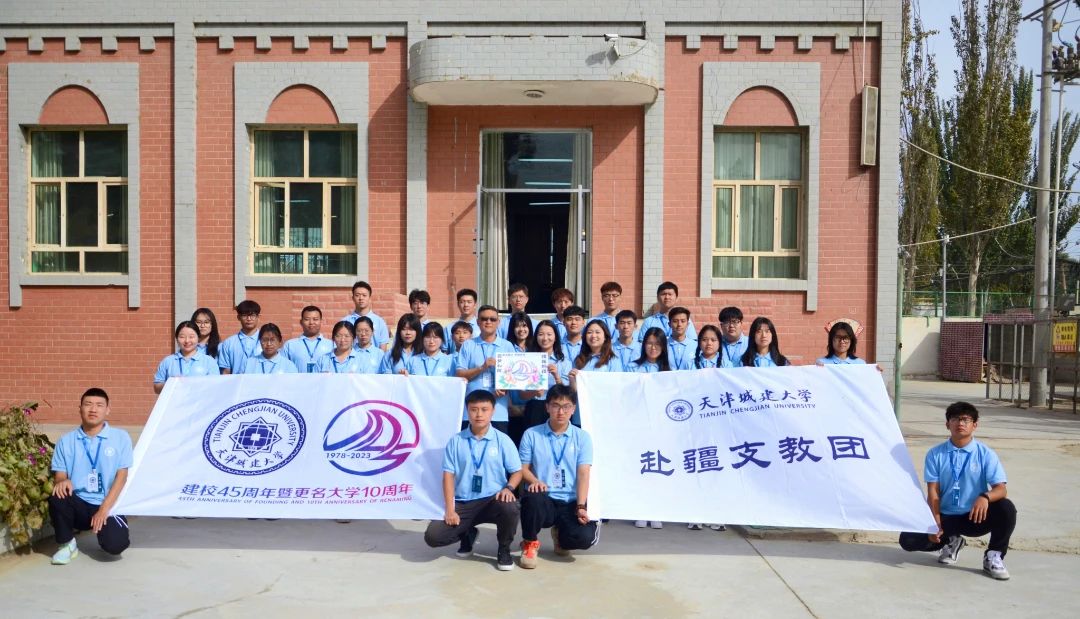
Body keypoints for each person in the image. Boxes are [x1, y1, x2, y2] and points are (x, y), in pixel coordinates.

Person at [423, 390, 521, 572]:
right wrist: (450, 509)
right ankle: (467, 533)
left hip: (493, 500)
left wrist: (509, 488)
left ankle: (504, 549)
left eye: (484, 409)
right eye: (474, 409)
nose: (479, 414)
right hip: (464, 501)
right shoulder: (456, 441)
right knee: (433, 537)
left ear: (493, 411)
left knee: (510, 507)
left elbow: (517, 471)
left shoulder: (503, 440)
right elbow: (448, 476)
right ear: (467, 411)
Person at [919, 402, 1015, 580]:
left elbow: (1001, 489)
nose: (960, 423)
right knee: (908, 540)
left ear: (974, 425)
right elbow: (933, 492)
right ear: (947, 424)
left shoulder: (985, 453)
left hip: (974, 517)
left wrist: (984, 496)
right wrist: (935, 524)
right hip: (947, 516)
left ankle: (993, 556)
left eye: (965, 419)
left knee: (1006, 508)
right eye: (955, 419)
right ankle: (952, 541)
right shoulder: (935, 454)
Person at [48, 388, 132, 564]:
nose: (93, 409)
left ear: (107, 410)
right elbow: (60, 475)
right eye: (88, 404)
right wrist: (63, 480)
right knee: (58, 495)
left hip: (107, 504)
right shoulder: (66, 440)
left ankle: (106, 532)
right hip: (79, 502)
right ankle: (67, 545)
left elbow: (122, 477)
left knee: (115, 546)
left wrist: (104, 509)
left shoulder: (121, 437)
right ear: (80, 409)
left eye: (99, 405)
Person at [517, 385, 599, 569]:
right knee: (532, 497)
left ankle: (561, 537)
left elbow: (584, 473)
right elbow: (522, 468)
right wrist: (534, 481)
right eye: (555, 406)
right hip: (545, 497)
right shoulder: (532, 434)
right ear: (547, 407)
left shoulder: (582, 437)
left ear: (574, 409)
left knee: (584, 538)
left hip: (570, 501)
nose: (561, 412)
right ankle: (529, 542)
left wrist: (581, 506)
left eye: (566, 406)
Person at [628, 327, 668, 529]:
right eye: (649, 343)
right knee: (641, 466)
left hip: (660, 425)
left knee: (658, 467)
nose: (653, 347)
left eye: (657, 344)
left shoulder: (668, 371)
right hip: (639, 424)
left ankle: (656, 510)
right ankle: (640, 509)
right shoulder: (633, 367)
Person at [456, 305, 517, 433]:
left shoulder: (507, 346)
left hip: (498, 411)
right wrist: (482, 368)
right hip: (471, 411)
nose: (488, 322)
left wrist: (505, 388)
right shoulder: (468, 345)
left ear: (498, 322)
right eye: (484, 319)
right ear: (478, 322)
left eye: (492, 319)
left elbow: (514, 377)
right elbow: (460, 375)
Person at [568, 319, 623, 427]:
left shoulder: (613, 360)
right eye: (589, 332)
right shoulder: (579, 360)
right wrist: (572, 380)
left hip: (603, 414)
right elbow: (574, 391)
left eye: (597, 332)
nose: (593, 336)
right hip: (581, 414)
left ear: (605, 336)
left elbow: (617, 388)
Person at [153, 321, 219, 393]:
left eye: (191, 337)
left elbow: (216, 387)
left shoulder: (209, 362)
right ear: (177, 339)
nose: (187, 341)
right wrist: (171, 383)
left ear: (198, 338)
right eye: (182, 337)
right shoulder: (168, 361)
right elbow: (156, 388)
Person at [282, 305, 333, 374]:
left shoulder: (331, 345)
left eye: (315, 319)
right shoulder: (290, 345)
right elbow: (282, 368)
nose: (311, 323)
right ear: (301, 322)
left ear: (321, 321)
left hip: (323, 381)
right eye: (307, 319)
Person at [343, 281, 390, 350]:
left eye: (364, 295)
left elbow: (383, 349)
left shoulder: (379, 322)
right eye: (357, 295)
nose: (361, 298)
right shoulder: (345, 322)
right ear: (353, 298)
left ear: (370, 298)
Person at [218, 300, 262, 375]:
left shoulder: (266, 341)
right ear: (238, 317)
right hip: (236, 382)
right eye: (244, 315)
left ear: (258, 317)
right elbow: (225, 372)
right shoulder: (228, 343)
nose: (249, 319)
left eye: (252, 315)